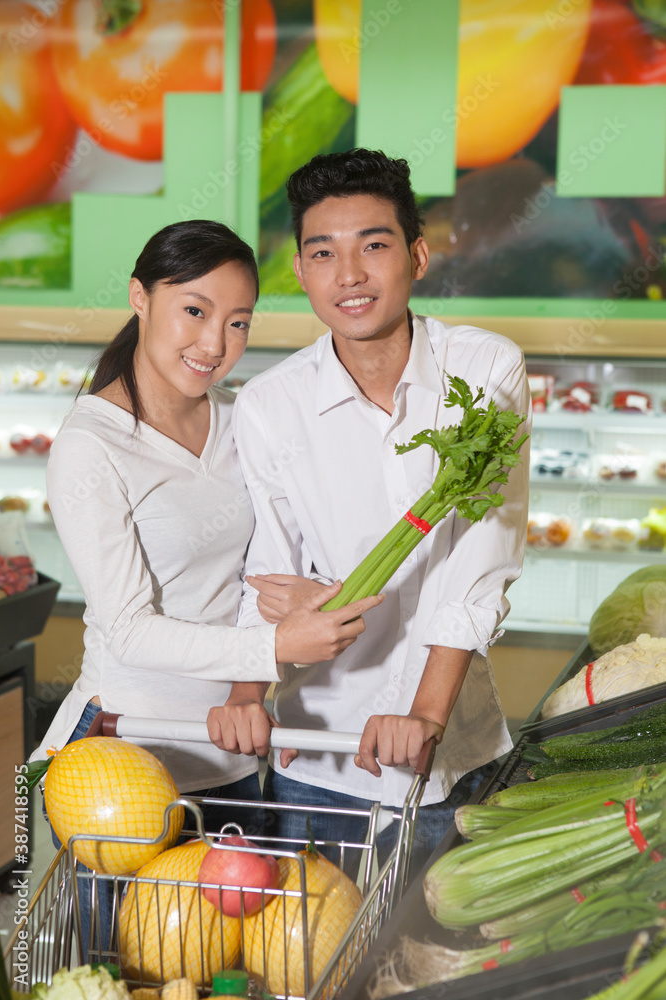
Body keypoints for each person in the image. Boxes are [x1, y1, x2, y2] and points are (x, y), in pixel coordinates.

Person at [32, 219, 383, 956]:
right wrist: (274, 645)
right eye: (194, 310)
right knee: (122, 966)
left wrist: (253, 677)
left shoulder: (236, 421)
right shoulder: (92, 446)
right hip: (123, 766)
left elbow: (255, 567)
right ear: (140, 297)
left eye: (237, 323)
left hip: (231, 751)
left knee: (230, 969)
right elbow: (128, 627)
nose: (214, 345)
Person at [206, 149, 531, 877]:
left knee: (436, 980)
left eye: (373, 246)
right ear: (300, 271)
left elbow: (481, 561)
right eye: (322, 253)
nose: (347, 276)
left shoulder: (484, 369)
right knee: (306, 969)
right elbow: (268, 574)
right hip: (317, 756)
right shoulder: (269, 405)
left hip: (453, 751)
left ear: (417, 255)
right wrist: (241, 694)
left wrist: (424, 714)